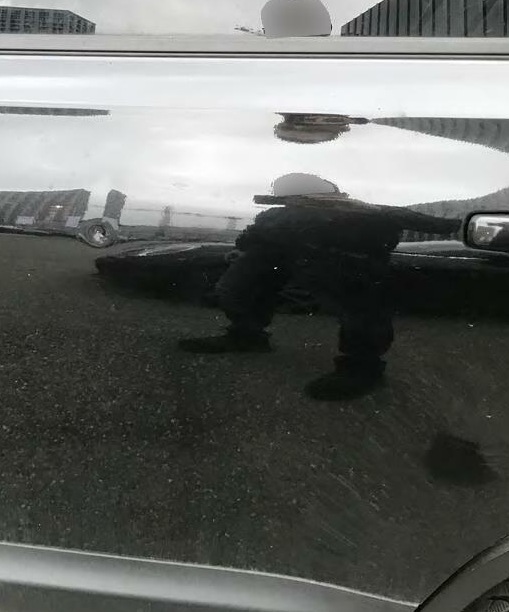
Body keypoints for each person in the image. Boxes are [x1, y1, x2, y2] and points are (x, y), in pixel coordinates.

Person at [180, 114, 457, 400]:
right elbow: (250, 240)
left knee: (360, 301)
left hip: (341, 264)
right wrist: (247, 254)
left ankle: (362, 368)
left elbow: (438, 225)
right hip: (292, 259)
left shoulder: (370, 213)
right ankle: (246, 335)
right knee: (243, 279)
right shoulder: (276, 216)